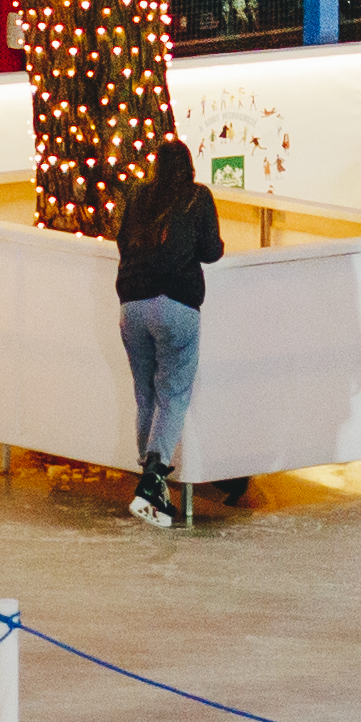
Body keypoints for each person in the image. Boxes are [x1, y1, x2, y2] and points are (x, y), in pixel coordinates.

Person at [111, 133, 227, 529]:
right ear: (190, 168)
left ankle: (151, 482)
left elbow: (122, 242)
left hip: (132, 305)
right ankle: (154, 479)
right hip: (176, 304)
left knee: (145, 393)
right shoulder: (197, 197)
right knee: (173, 394)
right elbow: (211, 250)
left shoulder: (137, 195)